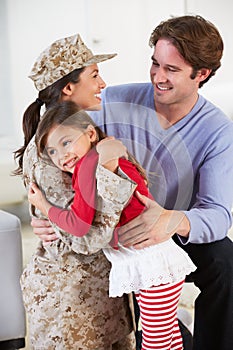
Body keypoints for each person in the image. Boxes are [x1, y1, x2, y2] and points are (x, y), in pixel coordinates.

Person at [32, 15, 233, 350]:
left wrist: (172, 220)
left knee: (227, 263)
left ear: (202, 75)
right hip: (121, 232)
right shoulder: (113, 102)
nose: (158, 77)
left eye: (172, 69)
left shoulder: (217, 130)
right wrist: (45, 213)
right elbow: (53, 140)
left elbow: (219, 214)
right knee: (154, 317)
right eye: (155, 64)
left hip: (172, 228)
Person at [27, 100, 196, 350]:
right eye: (51, 151)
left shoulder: (88, 167)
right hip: (155, 259)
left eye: (66, 142)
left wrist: (44, 206)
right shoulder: (102, 155)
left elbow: (79, 225)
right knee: (167, 334)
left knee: (155, 341)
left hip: (150, 263)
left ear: (90, 133)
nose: (61, 156)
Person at [14, 34, 136, 349]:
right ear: (68, 88)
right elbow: (84, 238)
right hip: (70, 310)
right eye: (94, 75)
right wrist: (109, 173)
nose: (103, 83)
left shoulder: (78, 132)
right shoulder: (51, 151)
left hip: (100, 301)